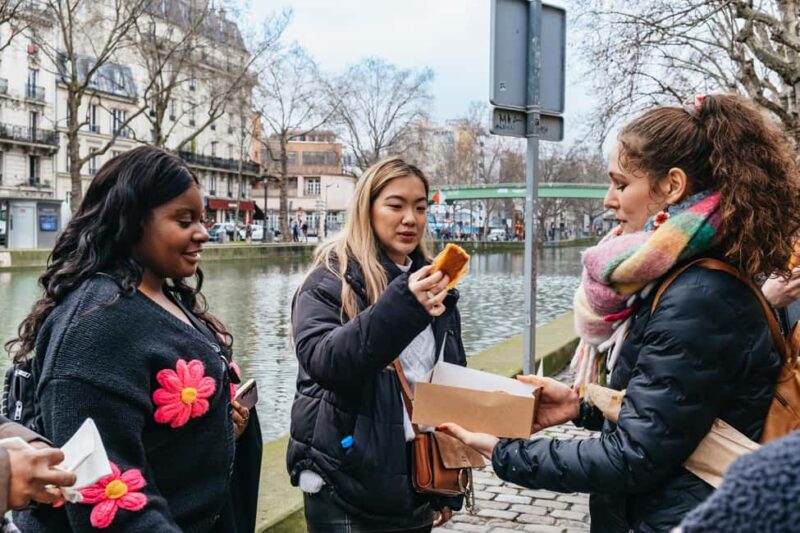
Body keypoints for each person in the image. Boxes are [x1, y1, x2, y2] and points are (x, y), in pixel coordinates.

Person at [441, 94, 800, 531]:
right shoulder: (692, 277)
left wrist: (505, 452)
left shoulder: (699, 295)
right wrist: (580, 406)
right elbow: (672, 414)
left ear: (671, 186)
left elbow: (636, 456)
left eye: (621, 183)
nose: (609, 199)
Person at [8, 146, 261, 532]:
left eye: (203, 218)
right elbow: (108, 498)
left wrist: (217, 427)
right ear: (132, 221)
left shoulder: (161, 293)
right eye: (184, 219)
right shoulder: (95, 326)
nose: (203, 233)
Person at [288, 156, 467, 531]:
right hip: (345, 482)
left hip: (415, 474)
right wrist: (403, 305)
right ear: (366, 209)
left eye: (420, 207)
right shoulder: (329, 280)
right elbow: (326, 363)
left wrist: (447, 483)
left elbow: (447, 384)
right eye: (395, 205)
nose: (410, 219)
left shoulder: (436, 284)